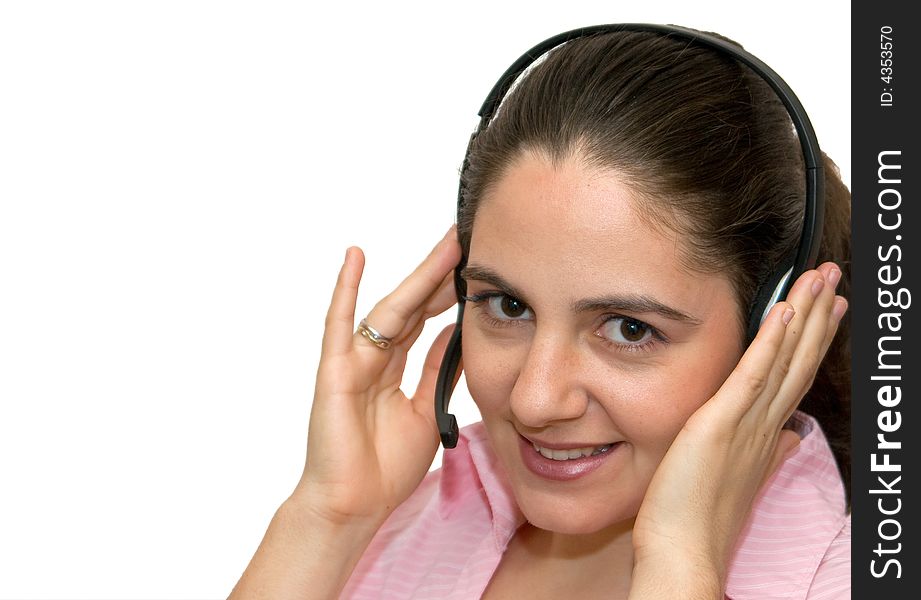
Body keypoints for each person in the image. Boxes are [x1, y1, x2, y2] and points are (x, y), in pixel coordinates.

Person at [229, 25, 850, 599]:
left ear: (775, 328)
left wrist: (681, 560)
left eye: (629, 329)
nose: (534, 400)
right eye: (509, 305)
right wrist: (329, 515)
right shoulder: (410, 522)